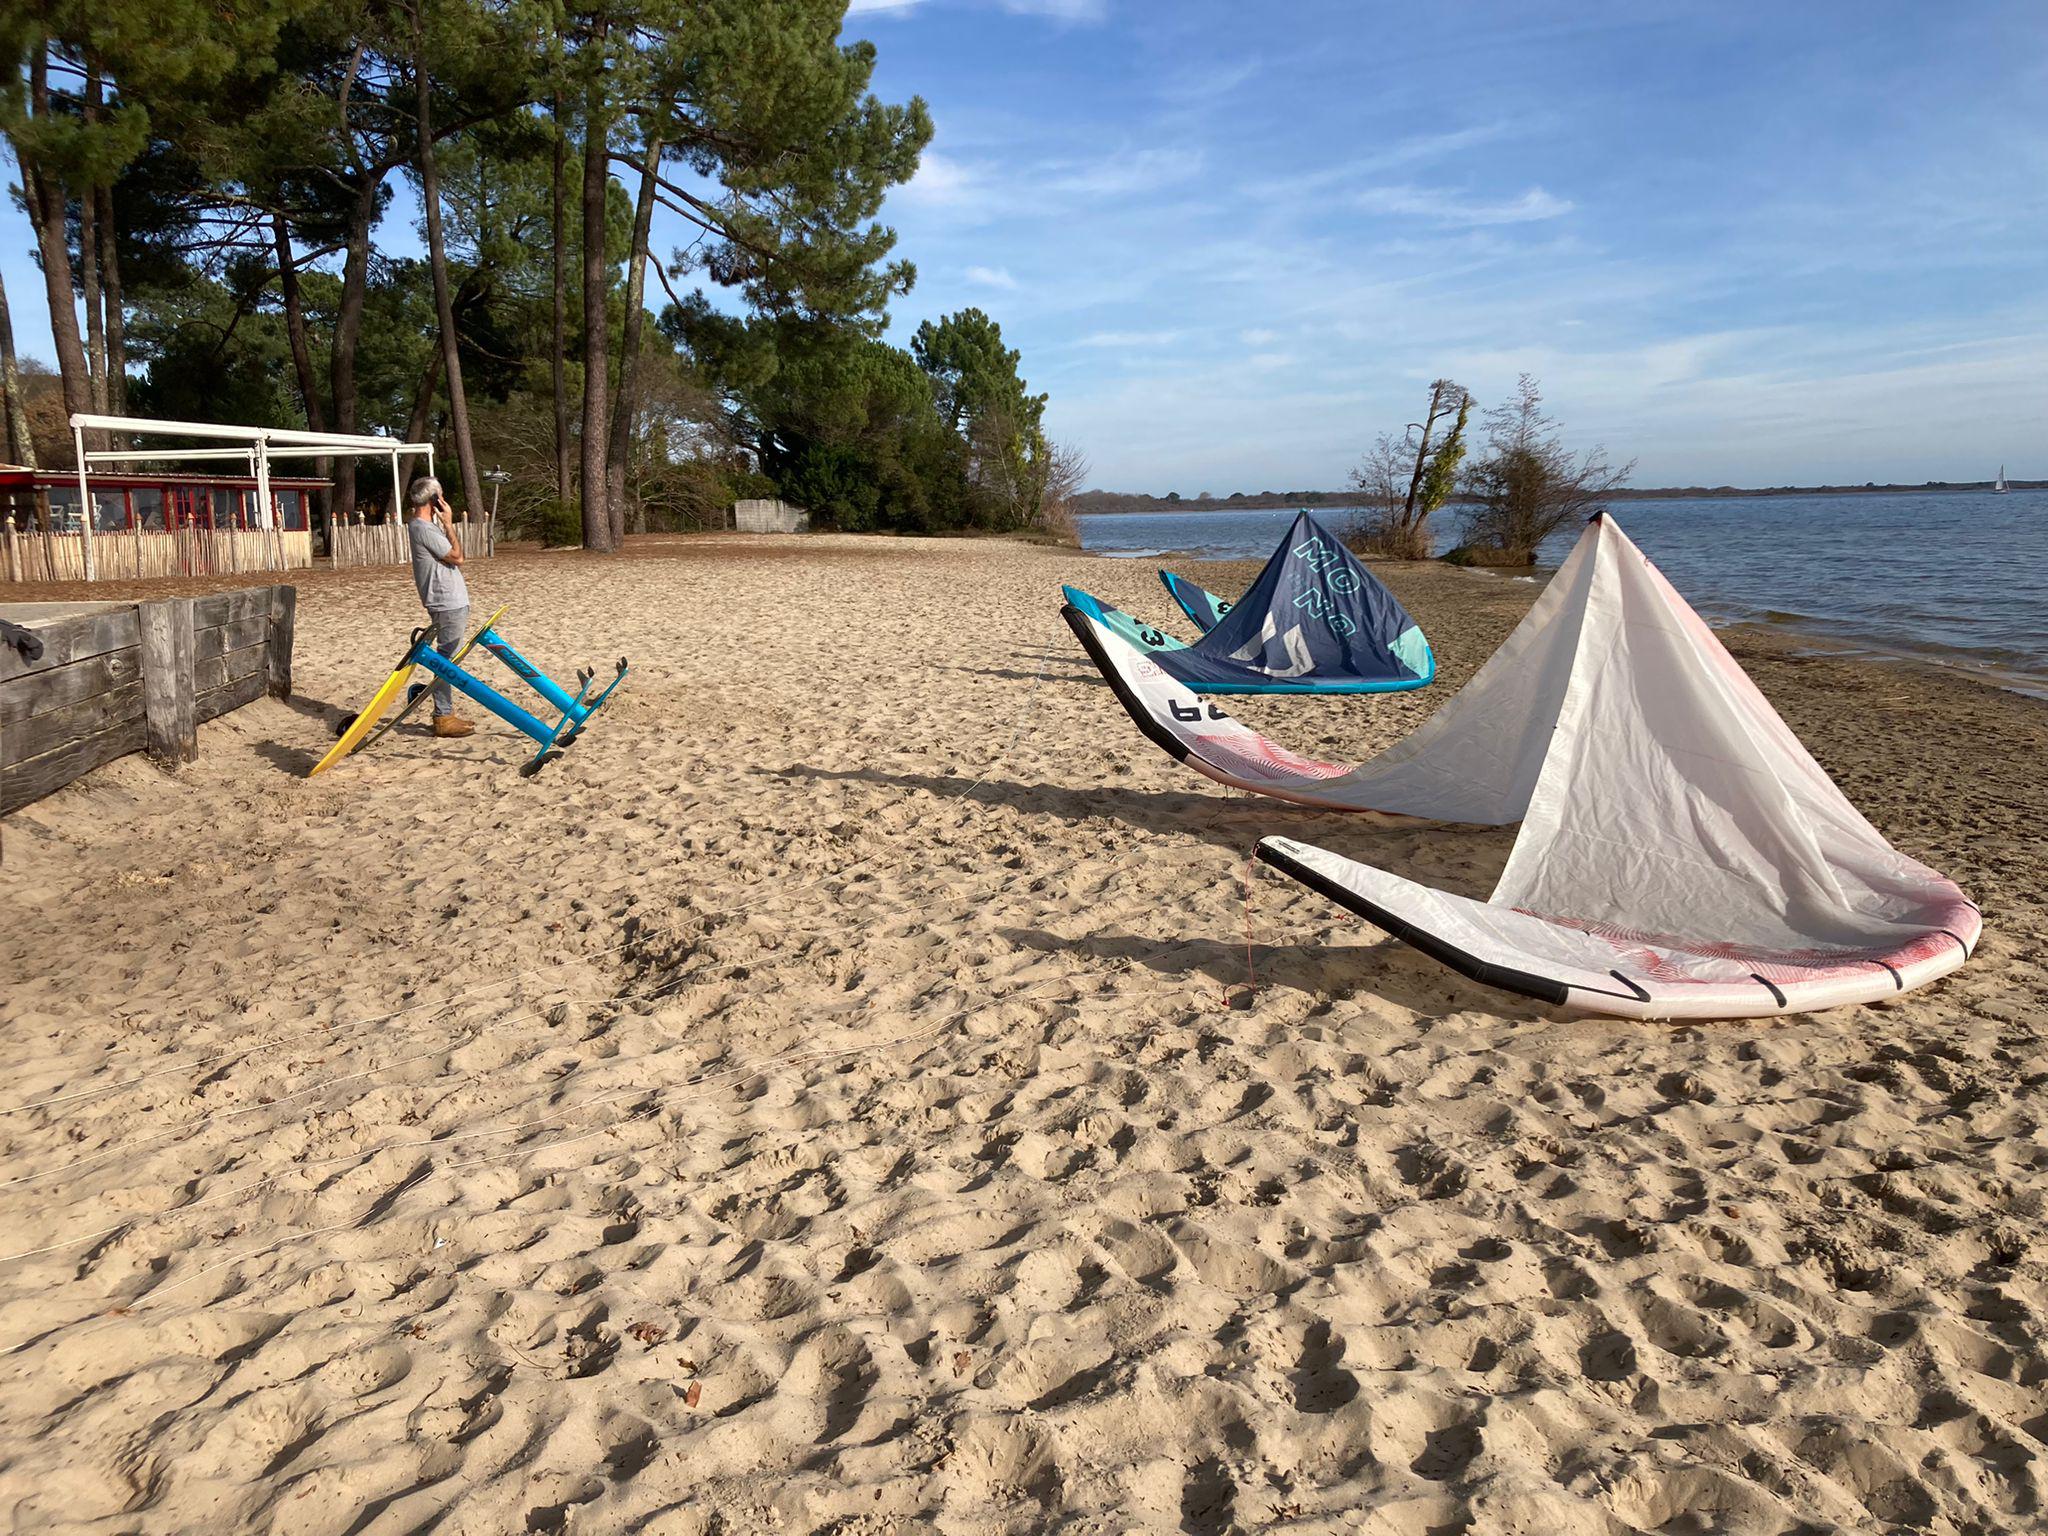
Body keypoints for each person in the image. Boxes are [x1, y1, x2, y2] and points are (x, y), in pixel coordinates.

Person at [406, 476, 475, 738]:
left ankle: (443, 711)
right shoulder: (424, 528)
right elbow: (458, 557)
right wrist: (448, 524)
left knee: (448, 659)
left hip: (448, 601)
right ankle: (442, 716)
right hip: (446, 602)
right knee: (447, 662)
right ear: (435, 500)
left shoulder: (422, 527)